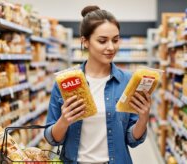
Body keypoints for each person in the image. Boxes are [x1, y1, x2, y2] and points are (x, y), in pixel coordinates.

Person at [44, 5, 152, 164]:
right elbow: (52, 139)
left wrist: (143, 119)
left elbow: (132, 139)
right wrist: (64, 121)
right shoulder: (66, 82)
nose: (111, 47)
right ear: (85, 41)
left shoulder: (128, 81)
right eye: (102, 41)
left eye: (115, 40)